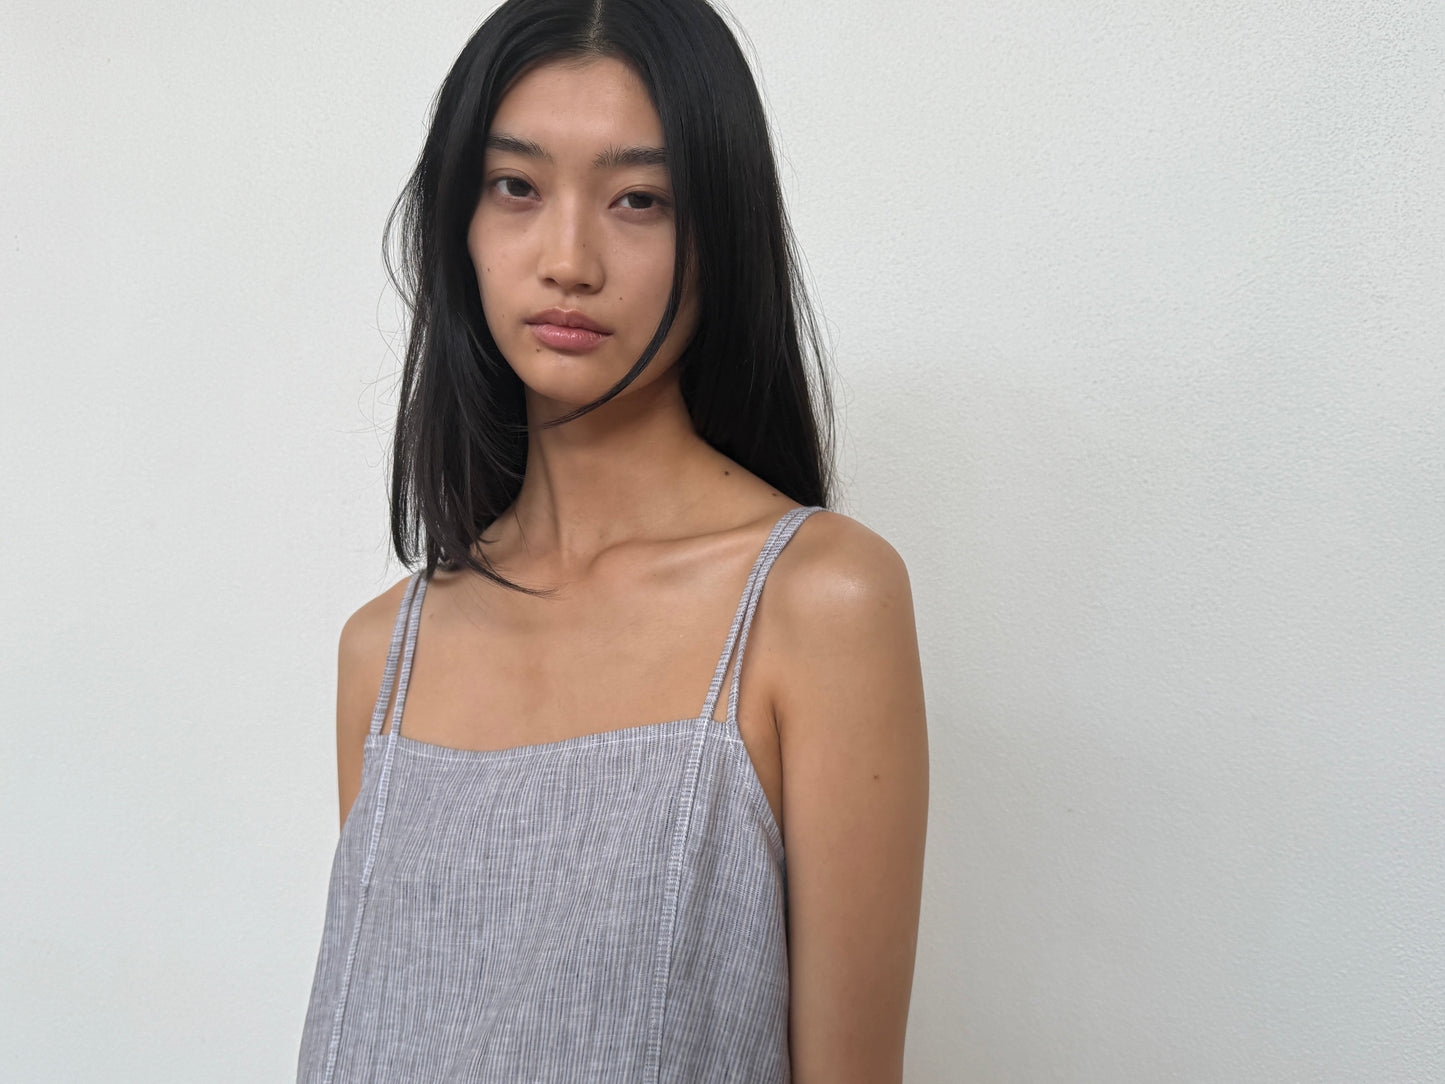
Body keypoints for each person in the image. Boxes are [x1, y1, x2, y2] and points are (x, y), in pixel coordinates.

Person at [296, 0, 928, 1080]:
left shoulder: (816, 603)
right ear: (461, 221)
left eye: (639, 199)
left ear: (717, 232)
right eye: (517, 188)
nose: (568, 257)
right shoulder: (383, 655)